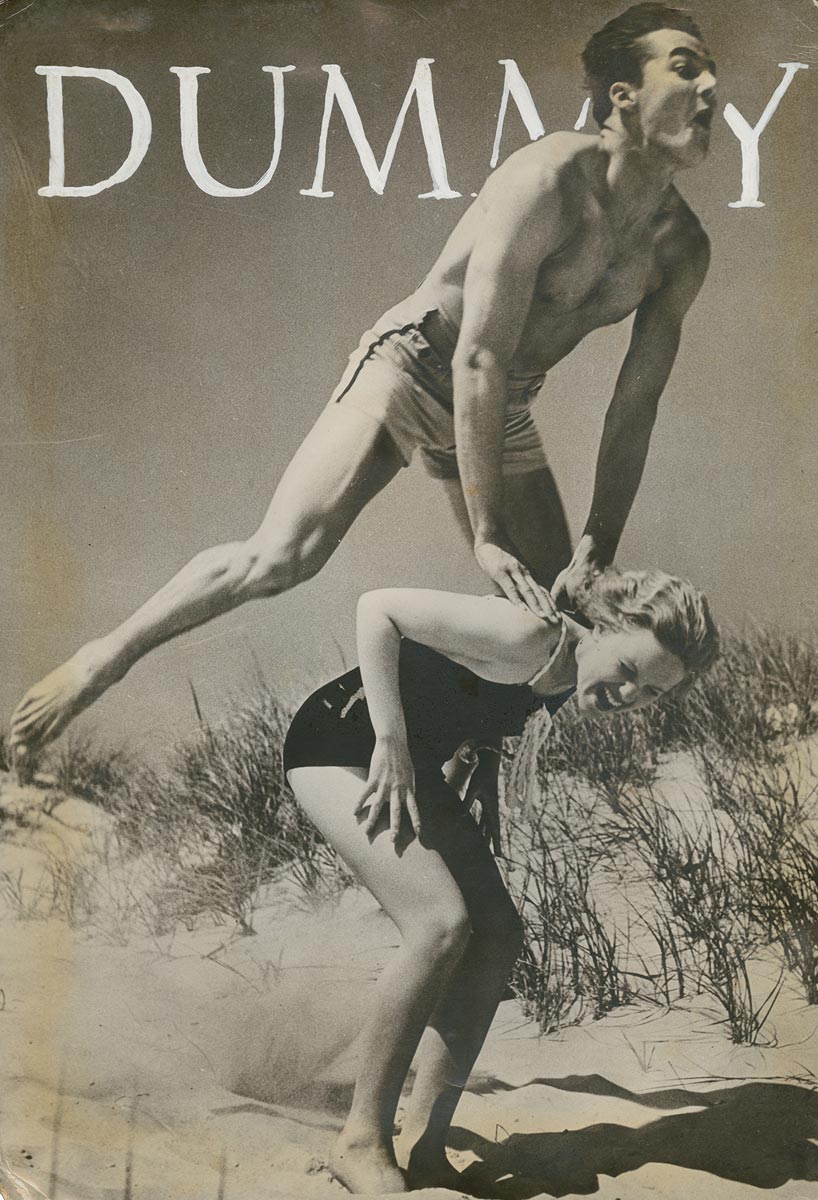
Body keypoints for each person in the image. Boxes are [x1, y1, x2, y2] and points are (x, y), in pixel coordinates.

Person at [10, 4, 717, 767]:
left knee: (561, 613)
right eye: (685, 66)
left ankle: (479, 745)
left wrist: (596, 548)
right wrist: (487, 536)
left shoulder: (681, 249)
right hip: (416, 365)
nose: (711, 85)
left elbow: (634, 405)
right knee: (285, 557)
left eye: (714, 72)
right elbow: (475, 354)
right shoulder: (547, 178)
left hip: (504, 403)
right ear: (621, 94)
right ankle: (105, 657)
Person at [283, 570, 719, 1193]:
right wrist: (393, 741)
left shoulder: (574, 671)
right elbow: (377, 609)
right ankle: (361, 1137)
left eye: (650, 692)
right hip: (337, 746)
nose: (629, 694)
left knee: (497, 935)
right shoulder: (529, 633)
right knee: (439, 925)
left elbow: (470, 684)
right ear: (603, 625)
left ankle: (427, 1146)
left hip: (408, 759)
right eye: (628, 669)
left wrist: (483, 760)